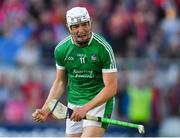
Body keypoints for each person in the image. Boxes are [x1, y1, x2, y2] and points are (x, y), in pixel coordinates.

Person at [32, 7, 117, 137]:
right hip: (74, 104)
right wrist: (45, 109)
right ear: (68, 27)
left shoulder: (103, 48)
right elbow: (60, 82)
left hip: (98, 103)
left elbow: (111, 88)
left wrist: (86, 108)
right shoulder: (61, 49)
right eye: (75, 26)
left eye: (84, 24)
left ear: (90, 23)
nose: (81, 30)